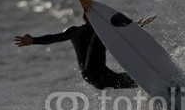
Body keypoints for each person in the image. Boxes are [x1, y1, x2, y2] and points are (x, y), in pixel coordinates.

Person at [14, 13, 155, 90]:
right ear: (86, 18)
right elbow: (56, 38)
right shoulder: (77, 31)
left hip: (104, 76)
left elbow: (116, 33)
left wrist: (136, 25)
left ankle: (156, 87)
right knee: (101, 34)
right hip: (91, 73)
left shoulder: (105, 32)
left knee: (137, 81)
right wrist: (34, 40)